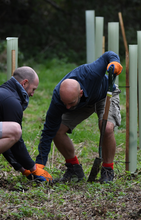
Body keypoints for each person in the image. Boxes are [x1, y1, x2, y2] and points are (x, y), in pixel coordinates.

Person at [34, 51, 123, 183]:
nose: (67, 108)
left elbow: (107, 55)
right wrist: (40, 164)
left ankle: (107, 170)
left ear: (80, 93)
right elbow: (48, 131)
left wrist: (115, 62)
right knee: (57, 130)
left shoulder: (91, 72)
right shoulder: (59, 99)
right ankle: (74, 169)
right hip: (82, 103)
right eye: (65, 104)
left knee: (106, 128)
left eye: (70, 104)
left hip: (105, 94)